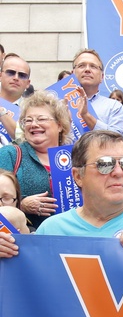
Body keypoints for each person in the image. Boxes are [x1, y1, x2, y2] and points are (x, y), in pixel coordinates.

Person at [0, 91, 71, 229]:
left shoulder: (75, 157)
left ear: (60, 125)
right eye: (28, 120)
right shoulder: (10, 154)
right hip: (24, 241)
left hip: (69, 238)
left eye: (41, 119)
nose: (33, 124)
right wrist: (21, 204)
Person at [70, 49, 123, 136]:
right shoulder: (58, 103)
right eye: (81, 66)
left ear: (102, 77)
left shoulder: (114, 107)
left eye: (93, 66)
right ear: (72, 73)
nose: (87, 69)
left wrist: (86, 115)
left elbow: (118, 139)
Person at [0, 54, 30, 140]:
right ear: (0, 76)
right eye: (10, 73)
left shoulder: (31, 111)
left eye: (22, 75)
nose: (16, 78)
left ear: (28, 83)